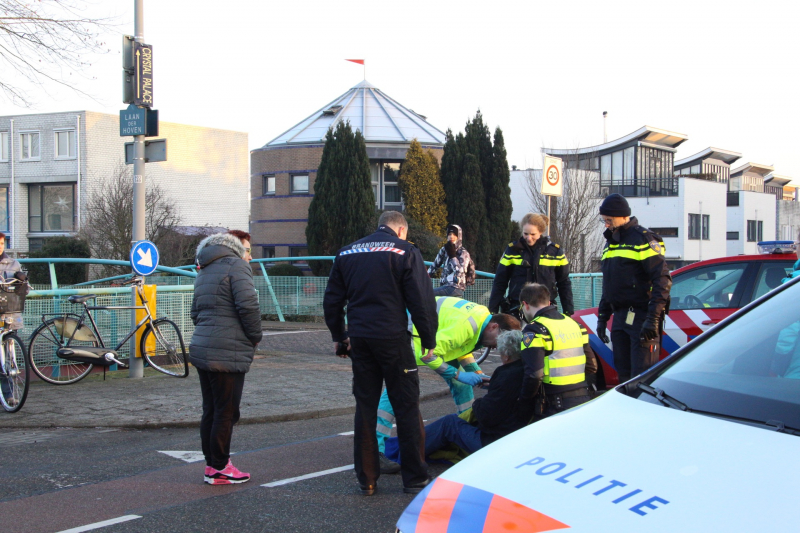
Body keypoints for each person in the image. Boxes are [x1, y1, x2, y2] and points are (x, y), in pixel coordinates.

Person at [323, 211, 437, 496]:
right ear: (401, 230)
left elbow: (332, 301)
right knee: (406, 407)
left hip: (360, 338)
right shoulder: (406, 251)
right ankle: (414, 479)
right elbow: (421, 300)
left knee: (365, 407)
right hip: (393, 338)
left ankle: (368, 479)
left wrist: (340, 337)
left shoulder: (347, 252)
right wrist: (428, 337)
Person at [375, 297, 521, 472]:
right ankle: (376, 451)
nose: (499, 348)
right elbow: (428, 355)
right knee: (398, 390)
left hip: (423, 333)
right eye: (500, 341)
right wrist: (458, 374)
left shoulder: (482, 320)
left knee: (462, 387)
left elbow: (460, 347)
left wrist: (476, 373)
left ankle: (465, 431)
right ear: (494, 327)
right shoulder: (467, 325)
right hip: (406, 333)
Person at [189, 230, 262, 485]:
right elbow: (248, 306)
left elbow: (195, 312)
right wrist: (255, 337)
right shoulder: (236, 267)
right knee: (227, 411)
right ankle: (220, 467)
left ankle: (212, 465)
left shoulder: (205, 270)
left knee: (211, 409)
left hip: (203, 346)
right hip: (227, 350)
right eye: (248, 250)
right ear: (235, 248)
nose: (249, 255)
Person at [392, 329, 527, 458]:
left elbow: (487, 415)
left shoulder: (505, 375)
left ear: (506, 355)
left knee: (449, 423)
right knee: (455, 420)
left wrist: (478, 404)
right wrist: (493, 385)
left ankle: (408, 454)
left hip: (495, 443)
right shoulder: (527, 371)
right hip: (517, 436)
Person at [594, 194, 671, 383]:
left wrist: (653, 319)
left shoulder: (644, 239)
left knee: (642, 378)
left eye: (609, 220)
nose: (606, 225)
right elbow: (610, 284)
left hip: (642, 317)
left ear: (622, 216)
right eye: (604, 221)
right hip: (620, 317)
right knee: (624, 377)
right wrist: (603, 318)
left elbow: (662, 281)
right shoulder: (611, 242)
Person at [518, 283, 595, 421]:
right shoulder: (575, 324)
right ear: (548, 302)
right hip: (583, 396)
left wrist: (523, 401)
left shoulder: (534, 330)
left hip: (554, 401)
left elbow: (534, 375)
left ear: (525, 304)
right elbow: (591, 366)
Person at [489, 213, 573, 318]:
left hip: (546, 308)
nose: (529, 238)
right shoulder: (512, 250)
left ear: (541, 232)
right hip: (517, 307)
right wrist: (493, 310)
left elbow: (564, 282)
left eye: (533, 234)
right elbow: (500, 281)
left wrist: (568, 311)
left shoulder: (555, 252)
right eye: (525, 234)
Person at [428, 224, 475, 297]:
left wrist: (452, 256)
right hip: (445, 286)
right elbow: (435, 265)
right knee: (424, 293)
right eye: (449, 234)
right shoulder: (445, 249)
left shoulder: (463, 253)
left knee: (427, 294)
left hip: (456, 287)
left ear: (459, 236)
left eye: (454, 234)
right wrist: (425, 276)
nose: (451, 236)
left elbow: (460, 272)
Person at [0, 233, 27, 332]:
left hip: (10, 310)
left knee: (11, 339)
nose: (0, 246)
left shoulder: (13, 264)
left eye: (2, 243)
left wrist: (21, 283)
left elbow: (24, 290)